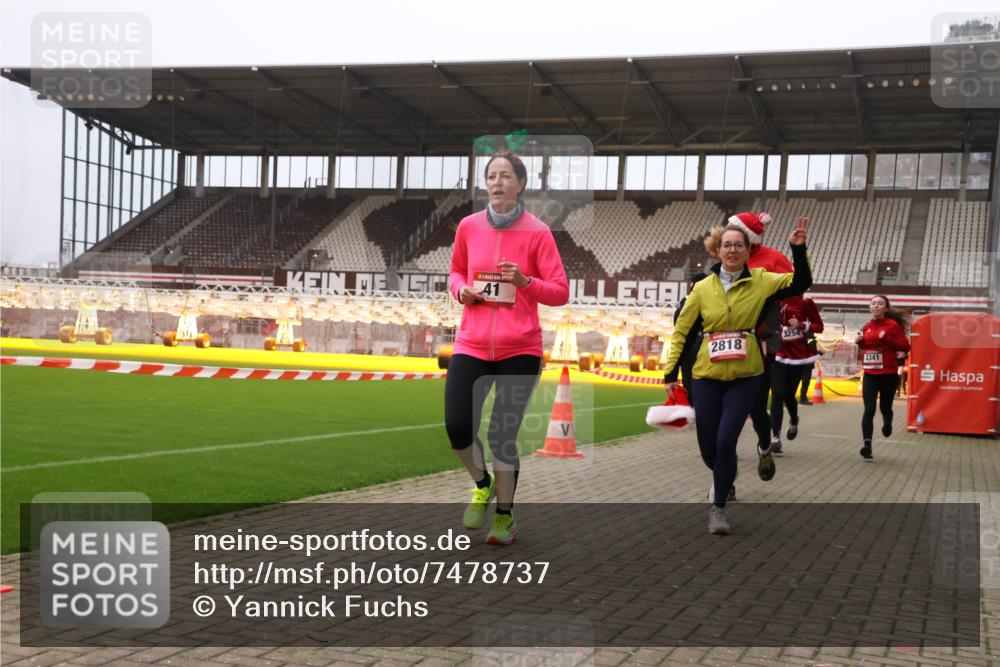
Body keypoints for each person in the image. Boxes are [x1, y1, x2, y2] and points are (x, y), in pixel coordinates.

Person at [445, 151, 569, 545]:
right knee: (457, 429)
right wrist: (459, 290)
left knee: (502, 435)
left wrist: (526, 281)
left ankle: (505, 516)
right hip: (471, 344)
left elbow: (561, 291)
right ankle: (481, 483)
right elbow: (455, 272)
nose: (497, 182)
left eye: (505, 176)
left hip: (520, 349)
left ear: (520, 184)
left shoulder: (538, 233)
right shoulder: (467, 226)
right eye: (491, 176)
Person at [663, 218, 811, 535]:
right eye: (726, 245)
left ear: (747, 251)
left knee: (727, 439)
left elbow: (800, 283)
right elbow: (681, 331)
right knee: (709, 447)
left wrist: (798, 250)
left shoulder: (761, 280)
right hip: (706, 376)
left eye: (739, 245)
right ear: (717, 251)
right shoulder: (702, 288)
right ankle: (726, 476)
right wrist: (670, 371)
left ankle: (718, 509)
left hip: (746, 375)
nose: (732, 249)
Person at [706, 211, 793, 472]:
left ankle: (765, 445)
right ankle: (724, 480)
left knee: (756, 409)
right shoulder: (723, 257)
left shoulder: (773, 260)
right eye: (727, 234)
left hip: (759, 343)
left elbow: (796, 291)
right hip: (720, 343)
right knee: (722, 415)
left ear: (749, 238)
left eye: (736, 232)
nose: (730, 239)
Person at [856, 295, 909, 460]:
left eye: (880, 303)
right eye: (873, 303)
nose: (876, 306)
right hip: (870, 374)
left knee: (885, 408)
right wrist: (860, 342)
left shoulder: (892, 326)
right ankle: (867, 445)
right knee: (869, 410)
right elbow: (866, 348)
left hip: (888, 374)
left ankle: (887, 422)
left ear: (885, 308)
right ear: (870, 308)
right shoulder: (866, 327)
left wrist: (887, 338)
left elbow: (905, 346)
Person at [770, 296, 824, 453]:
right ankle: (776, 437)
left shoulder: (806, 302)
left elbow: (819, 327)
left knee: (788, 396)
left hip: (797, 355)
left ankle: (794, 420)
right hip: (778, 352)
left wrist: (802, 325)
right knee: (777, 394)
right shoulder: (774, 301)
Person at [671, 272, 708, 403]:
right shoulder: (707, 303)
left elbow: (677, 326)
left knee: (690, 384)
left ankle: (693, 412)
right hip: (701, 348)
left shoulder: (685, 303)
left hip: (688, 348)